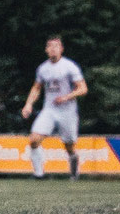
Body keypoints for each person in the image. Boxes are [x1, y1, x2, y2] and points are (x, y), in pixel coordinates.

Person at [21, 36, 87, 180]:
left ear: (61, 49)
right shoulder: (43, 68)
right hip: (49, 110)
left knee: (69, 145)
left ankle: (74, 164)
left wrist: (67, 97)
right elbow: (36, 88)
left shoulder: (69, 66)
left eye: (56, 46)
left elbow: (83, 88)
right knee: (33, 139)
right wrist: (28, 104)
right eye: (50, 46)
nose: (53, 49)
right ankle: (39, 174)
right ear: (46, 50)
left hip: (67, 111)